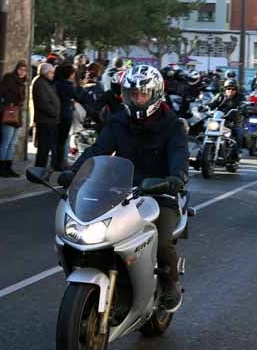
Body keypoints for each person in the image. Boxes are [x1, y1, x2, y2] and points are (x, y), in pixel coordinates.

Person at [63, 65, 188, 312]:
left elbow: (179, 153)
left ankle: (170, 282)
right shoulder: (118, 121)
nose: (137, 99)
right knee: (94, 231)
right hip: (122, 189)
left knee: (162, 242)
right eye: (132, 94)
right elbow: (98, 150)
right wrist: (74, 171)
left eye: (142, 94)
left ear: (155, 94)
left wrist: (177, 176)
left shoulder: (171, 125)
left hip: (158, 191)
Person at [0, 61, 28, 177]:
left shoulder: (23, 83)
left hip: (17, 115)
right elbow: (0, 94)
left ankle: (8, 167)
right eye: (20, 69)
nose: (22, 72)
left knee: (12, 143)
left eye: (24, 70)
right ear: (16, 69)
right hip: (9, 113)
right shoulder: (9, 79)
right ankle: (1, 168)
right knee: (6, 142)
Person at [52, 64, 88, 171]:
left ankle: (56, 163)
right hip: (65, 115)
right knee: (62, 141)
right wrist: (82, 87)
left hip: (57, 114)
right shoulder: (67, 85)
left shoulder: (55, 84)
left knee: (56, 141)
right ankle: (59, 164)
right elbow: (78, 97)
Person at [32, 62, 61, 168]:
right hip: (45, 120)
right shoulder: (40, 83)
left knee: (46, 147)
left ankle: (42, 168)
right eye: (51, 72)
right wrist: (55, 112)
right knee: (43, 147)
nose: (53, 74)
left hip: (50, 120)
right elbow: (43, 102)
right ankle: (39, 169)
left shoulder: (47, 82)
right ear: (46, 72)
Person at [209, 79, 245, 154]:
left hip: (234, 120)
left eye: (233, 89)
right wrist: (205, 107)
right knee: (207, 129)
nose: (231, 91)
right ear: (225, 89)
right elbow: (212, 103)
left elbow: (244, 104)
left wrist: (242, 108)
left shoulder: (240, 97)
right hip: (219, 120)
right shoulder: (220, 96)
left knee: (239, 132)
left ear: (236, 90)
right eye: (228, 88)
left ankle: (237, 152)